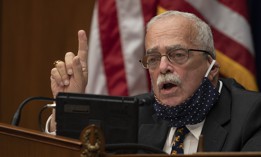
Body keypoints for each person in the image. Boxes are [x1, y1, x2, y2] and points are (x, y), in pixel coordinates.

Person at [50, 11, 261, 154]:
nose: (162, 67)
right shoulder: (136, 113)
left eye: (178, 55)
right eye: (152, 59)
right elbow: (85, 148)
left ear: (212, 68)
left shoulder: (252, 115)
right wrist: (65, 107)